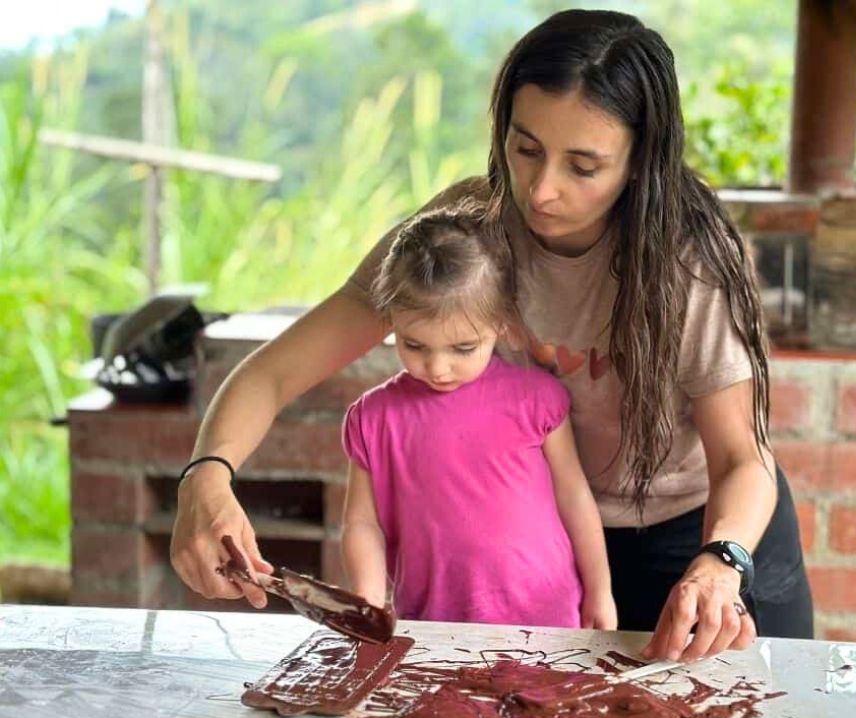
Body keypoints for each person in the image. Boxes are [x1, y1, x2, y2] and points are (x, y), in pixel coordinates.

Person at [172, 8, 813, 662]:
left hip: (701, 543)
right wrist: (206, 476)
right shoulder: (469, 229)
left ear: (640, 162)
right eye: (526, 149)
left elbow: (744, 460)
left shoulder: (692, 259)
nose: (541, 191)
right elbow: (274, 372)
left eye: (583, 166)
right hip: (549, 552)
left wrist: (721, 562)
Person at [339, 200, 617, 628]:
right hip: (435, 621)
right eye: (414, 345)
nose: (438, 367)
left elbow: (573, 497)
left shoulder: (537, 399)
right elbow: (362, 523)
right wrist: (369, 598)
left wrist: (600, 591)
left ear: (502, 322)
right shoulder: (374, 419)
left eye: (463, 348)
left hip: (548, 616)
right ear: (392, 319)